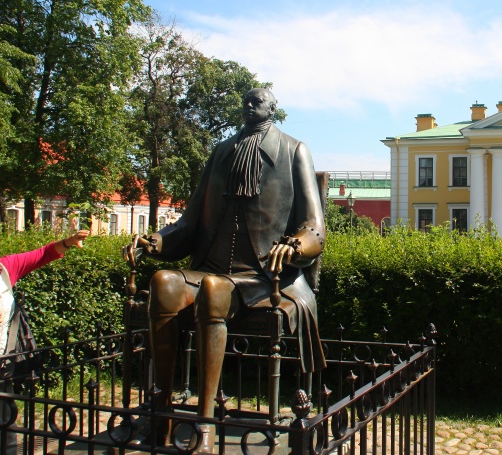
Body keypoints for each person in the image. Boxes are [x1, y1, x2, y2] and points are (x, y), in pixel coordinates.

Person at [123, 87, 326, 453]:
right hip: (209, 269)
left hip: (263, 278)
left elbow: (315, 228)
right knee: (164, 283)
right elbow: (188, 224)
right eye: (246, 101)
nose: (250, 106)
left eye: (258, 101)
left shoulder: (294, 150)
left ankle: (204, 424)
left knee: (216, 290)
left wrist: (293, 245)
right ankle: (161, 413)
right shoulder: (221, 152)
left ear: (272, 108)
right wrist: (153, 242)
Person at [0, 229, 90, 453]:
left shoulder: (5, 268)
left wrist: (68, 242)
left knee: (6, 432)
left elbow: (43, 254)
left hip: (2, 367)